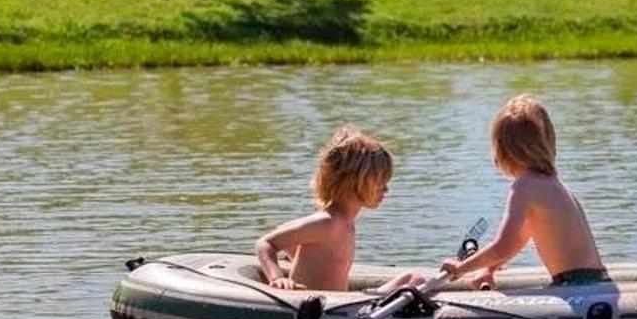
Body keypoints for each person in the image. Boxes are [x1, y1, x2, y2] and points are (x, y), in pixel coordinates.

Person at [440, 94, 607, 290]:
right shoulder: (553, 184)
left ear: (502, 150)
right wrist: (490, 269)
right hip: (596, 280)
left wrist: (459, 269)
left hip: (575, 285)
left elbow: (502, 245)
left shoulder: (524, 187)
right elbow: (520, 238)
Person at [256, 126, 410, 292]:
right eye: (380, 183)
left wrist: (301, 260)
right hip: (319, 304)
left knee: (412, 278)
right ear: (355, 182)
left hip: (341, 300)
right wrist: (277, 278)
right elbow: (266, 243)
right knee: (415, 281)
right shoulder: (328, 223)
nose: (386, 190)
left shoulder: (345, 223)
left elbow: (292, 238)